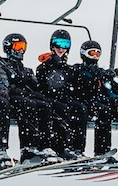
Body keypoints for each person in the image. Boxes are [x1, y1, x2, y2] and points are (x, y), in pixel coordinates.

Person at [0, 32, 56, 171]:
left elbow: (38, 87)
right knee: (27, 104)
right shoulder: (3, 68)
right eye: (18, 46)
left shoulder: (25, 70)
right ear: (8, 48)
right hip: (13, 101)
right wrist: (16, 90)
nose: (21, 50)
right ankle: (27, 149)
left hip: (25, 99)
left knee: (44, 106)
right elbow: (3, 87)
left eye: (23, 46)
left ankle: (44, 146)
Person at [34, 29, 89, 159]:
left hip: (65, 100)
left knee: (80, 108)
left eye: (65, 45)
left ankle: (77, 149)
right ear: (52, 45)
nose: (61, 48)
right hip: (49, 100)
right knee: (60, 109)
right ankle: (59, 147)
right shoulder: (43, 67)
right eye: (58, 44)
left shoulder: (69, 69)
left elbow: (77, 87)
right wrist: (52, 64)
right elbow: (43, 85)